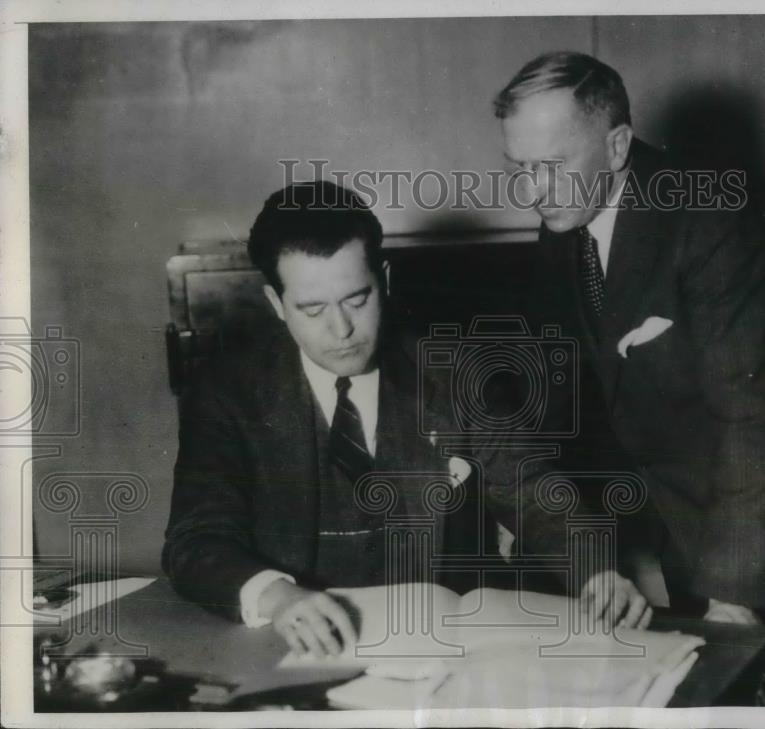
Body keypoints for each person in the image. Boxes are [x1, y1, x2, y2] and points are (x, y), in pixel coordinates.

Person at [162, 180, 650, 659]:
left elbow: (534, 493)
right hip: (288, 651)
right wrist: (277, 597)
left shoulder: (456, 374)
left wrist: (595, 570)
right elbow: (196, 539)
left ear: (386, 280)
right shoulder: (227, 393)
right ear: (276, 304)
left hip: (445, 653)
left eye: (357, 299)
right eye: (312, 309)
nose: (342, 330)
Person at [494, 51, 765, 628]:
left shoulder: (709, 220)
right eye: (519, 167)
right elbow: (557, 378)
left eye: (551, 164)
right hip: (683, 515)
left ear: (617, 146)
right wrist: (519, 504)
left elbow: (757, 420)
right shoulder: (566, 216)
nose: (533, 190)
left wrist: (734, 597)